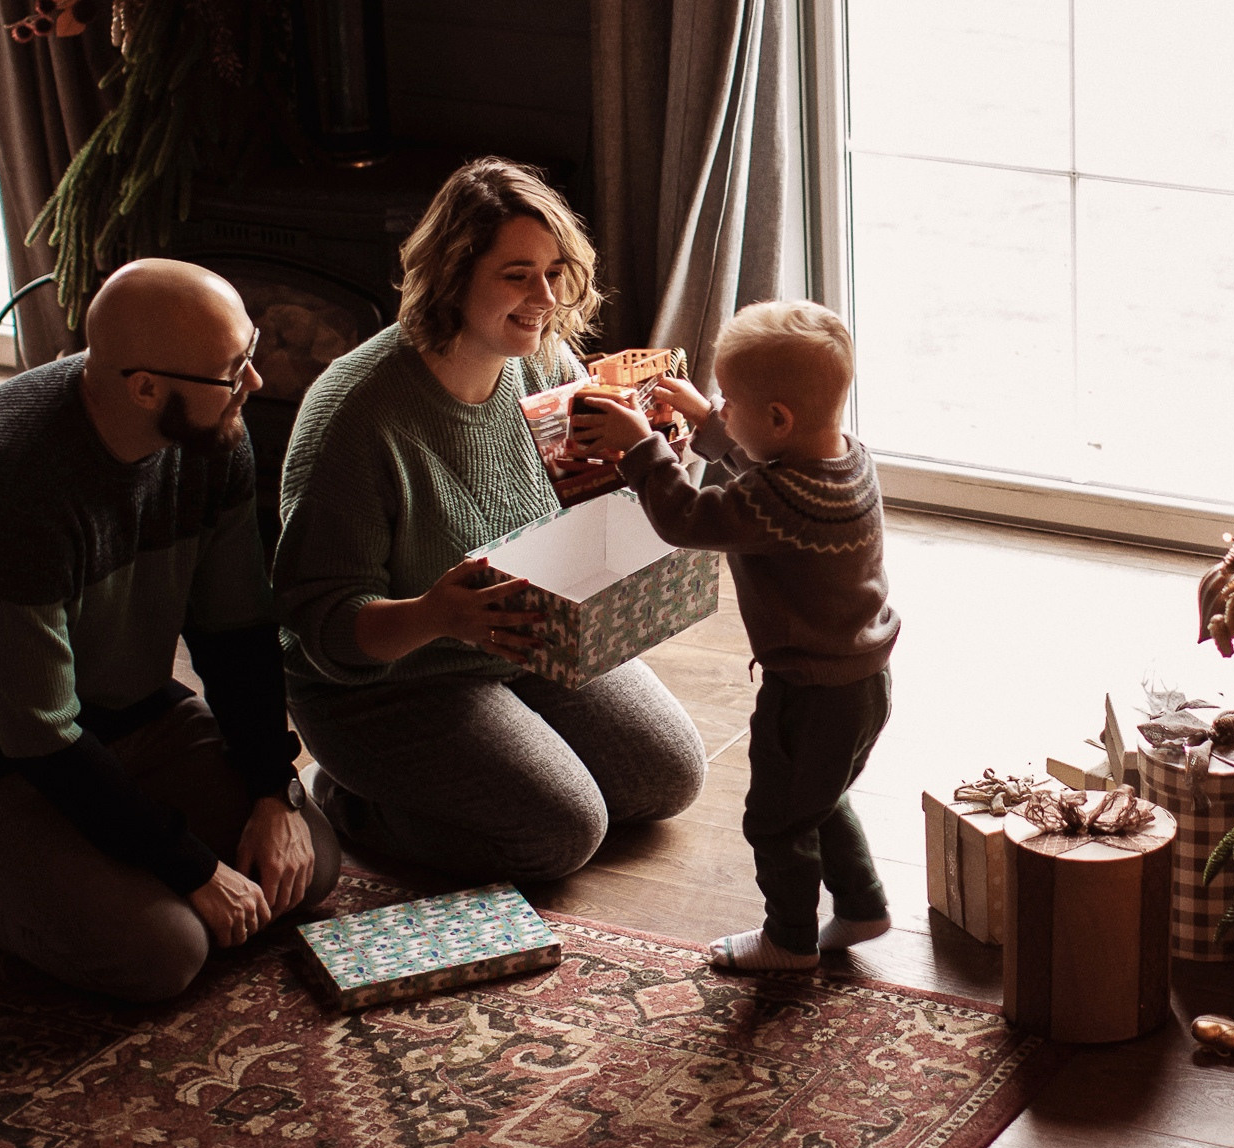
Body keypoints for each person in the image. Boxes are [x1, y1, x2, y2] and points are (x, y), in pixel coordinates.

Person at [0, 259, 340, 1002]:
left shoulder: (213, 432)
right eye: (231, 369)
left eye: (248, 353)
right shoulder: (5, 483)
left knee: (310, 867)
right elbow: (40, 735)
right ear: (144, 388)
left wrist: (272, 790)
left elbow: (236, 632)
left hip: (119, 708)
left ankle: (96, 863)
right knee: (163, 953)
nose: (255, 381)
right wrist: (192, 869)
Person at [273, 157, 706, 882]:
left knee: (668, 777)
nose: (546, 298)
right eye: (517, 275)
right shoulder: (356, 417)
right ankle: (347, 797)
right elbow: (320, 626)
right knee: (563, 833)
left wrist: (651, 460)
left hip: (522, 641)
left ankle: (502, 744)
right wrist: (434, 614)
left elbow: (588, 517)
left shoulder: (542, 362)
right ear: (451, 275)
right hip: (387, 685)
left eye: (555, 271)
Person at [572, 300, 899, 972]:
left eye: (729, 402)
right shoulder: (846, 459)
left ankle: (789, 940)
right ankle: (862, 904)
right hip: (863, 681)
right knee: (818, 796)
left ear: (777, 418)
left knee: (776, 819)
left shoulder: (779, 500)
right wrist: (708, 422)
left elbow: (690, 517)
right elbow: (765, 471)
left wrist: (643, 447)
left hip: (807, 693)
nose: (721, 408)